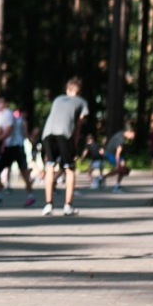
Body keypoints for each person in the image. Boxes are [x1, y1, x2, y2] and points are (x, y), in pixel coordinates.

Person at [40, 77, 88, 217]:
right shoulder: (81, 102)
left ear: (67, 90)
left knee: (50, 167)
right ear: (79, 92)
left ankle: (48, 205)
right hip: (64, 133)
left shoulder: (57, 99)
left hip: (48, 133)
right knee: (69, 168)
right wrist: (74, 146)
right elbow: (78, 127)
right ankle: (68, 206)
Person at [0, 95, 35, 206]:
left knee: (24, 173)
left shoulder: (8, 114)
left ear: (6, 104)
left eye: (2, 102)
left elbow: (7, 132)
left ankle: (30, 196)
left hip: (17, 147)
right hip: (8, 148)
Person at [102, 124, 134, 192]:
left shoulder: (121, 133)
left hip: (114, 152)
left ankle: (117, 185)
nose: (132, 138)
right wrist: (117, 164)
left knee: (123, 169)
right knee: (119, 168)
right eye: (132, 135)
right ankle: (102, 178)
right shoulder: (121, 139)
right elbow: (117, 153)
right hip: (110, 153)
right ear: (129, 131)